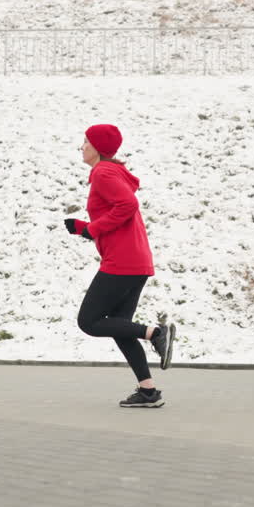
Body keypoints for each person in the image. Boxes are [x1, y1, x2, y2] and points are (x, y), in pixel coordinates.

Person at [64, 123, 176, 408]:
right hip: (135, 260)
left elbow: (127, 205)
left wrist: (93, 229)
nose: (82, 147)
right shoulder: (111, 172)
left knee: (88, 322)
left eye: (86, 142)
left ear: (98, 147)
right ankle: (148, 391)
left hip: (122, 262)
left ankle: (156, 333)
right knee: (120, 326)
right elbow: (116, 216)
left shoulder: (102, 172)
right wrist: (84, 228)